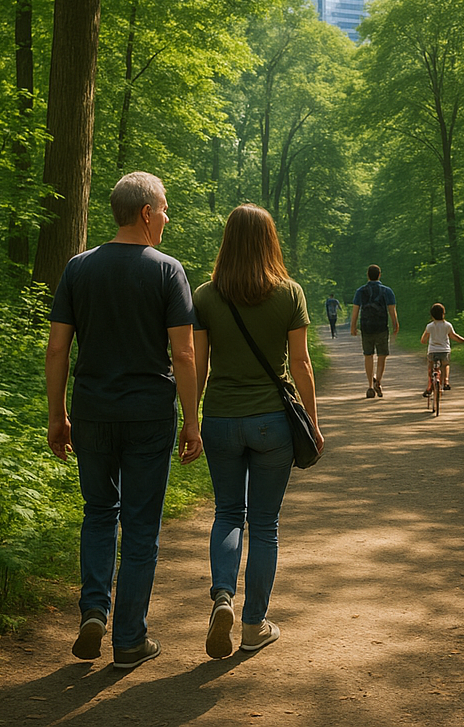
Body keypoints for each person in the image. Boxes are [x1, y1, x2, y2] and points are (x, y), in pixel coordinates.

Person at [45, 171, 203, 670]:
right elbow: (183, 353)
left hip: (91, 412)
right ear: (145, 213)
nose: (168, 217)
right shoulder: (167, 270)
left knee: (98, 513)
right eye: (165, 208)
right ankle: (129, 639)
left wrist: (57, 415)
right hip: (148, 416)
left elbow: (56, 349)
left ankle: (94, 610)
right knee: (139, 527)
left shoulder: (77, 268)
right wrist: (192, 420)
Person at [193, 204, 324, 659]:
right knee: (264, 523)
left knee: (228, 513)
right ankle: (253, 626)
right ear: (270, 241)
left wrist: (191, 420)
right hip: (272, 422)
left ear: (228, 241)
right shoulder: (289, 293)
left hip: (221, 421)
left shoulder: (206, 296)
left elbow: (198, 365)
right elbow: (302, 364)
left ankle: (223, 597)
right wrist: (312, 419)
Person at [349, 264, 398, 398]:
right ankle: (379, 381)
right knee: (382, 355)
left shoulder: (361, 291)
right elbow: (392, 310)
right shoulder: (387, 291)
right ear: (379, 275)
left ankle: (370, 386)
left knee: (368, 355)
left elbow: (355, 310)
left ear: (368, 275)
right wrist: (395, 324)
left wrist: (353, 326)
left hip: (366, 327)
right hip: (381, 327)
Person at [420, 302, 464, 395]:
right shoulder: (447, 325)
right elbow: (453, 336)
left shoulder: (430, 326)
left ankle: (429, 386)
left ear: (432, 315)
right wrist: (461, 339)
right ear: (443, 313)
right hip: (444, 350)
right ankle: (446, 381)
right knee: (445, 365)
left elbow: (423, 339)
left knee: (430, 367)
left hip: (432, 351)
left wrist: (424, 341)